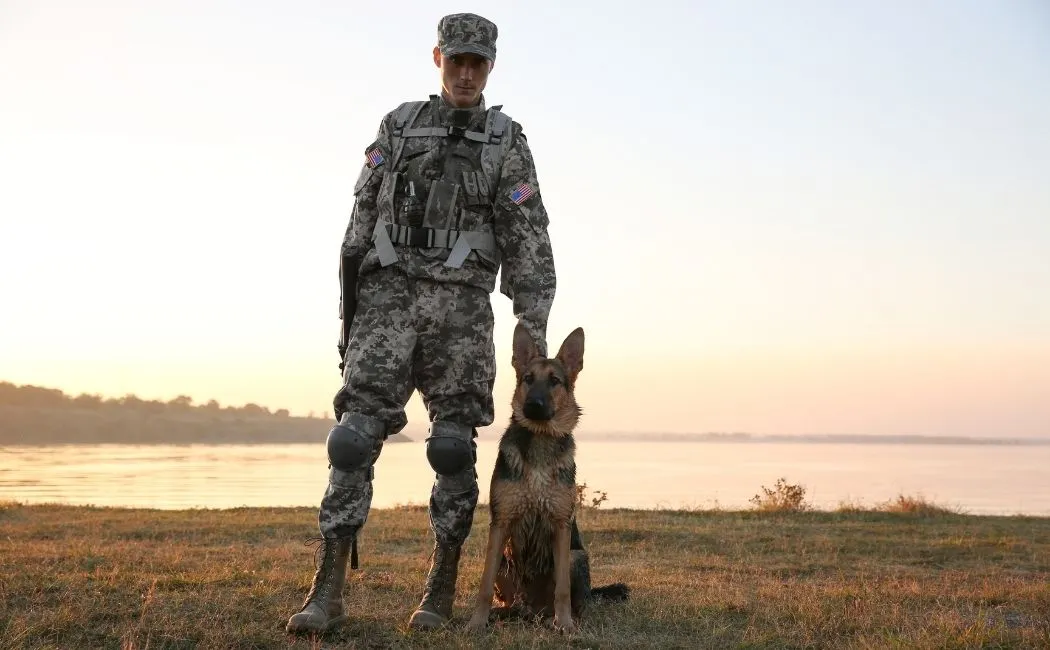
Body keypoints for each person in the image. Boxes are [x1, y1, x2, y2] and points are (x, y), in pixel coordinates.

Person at [285, 12, 557, 635]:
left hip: (460, 312)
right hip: (385, 305)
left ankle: (439, 588)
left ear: (491, 68)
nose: (465, 72)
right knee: (352, 440)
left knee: (452, 447)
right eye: (456, 60)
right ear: (437, 58)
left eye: (477, 63)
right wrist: (350, 316)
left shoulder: (506, 139)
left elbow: (528, 231)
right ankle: (326, 592)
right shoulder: (398, 125)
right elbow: (360, 213)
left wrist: (533, 320)